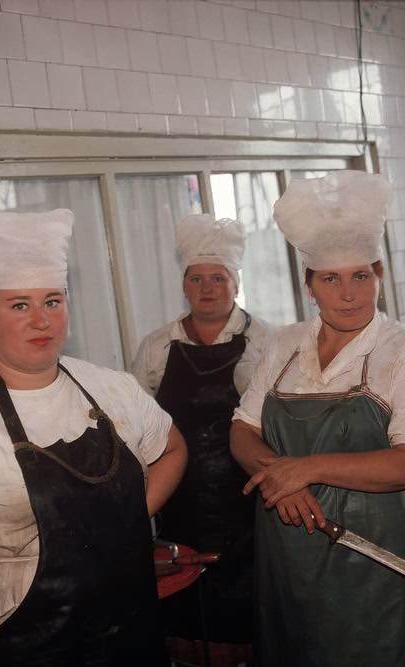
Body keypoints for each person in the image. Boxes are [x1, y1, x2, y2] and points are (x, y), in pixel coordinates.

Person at [0, 209, 187, 667]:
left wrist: (124, 519)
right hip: (18, 644)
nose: (42, 320)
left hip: (129, 632)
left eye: (53, 301)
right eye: (19, 305)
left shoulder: (111, 388)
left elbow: (172, 449)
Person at [230, 171, 405, 666]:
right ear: (310, 285)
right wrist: (278, 478)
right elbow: (242, 430)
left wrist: (304, 470)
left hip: (377, 554)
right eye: (331, 278)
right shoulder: (284, 345)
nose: (349, 293)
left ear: (379, 277)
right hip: (291, 552)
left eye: (361, 276)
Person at [132, 213, 271, 664]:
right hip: (178, 499)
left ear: (235, 284)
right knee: (184, 606)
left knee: (250, 608)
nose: (207, 288)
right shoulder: (157, 347)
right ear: (184, 285)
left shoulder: (267, 342)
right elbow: (137, 425)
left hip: (250, 498)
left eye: (218, 277)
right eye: (196, 278)